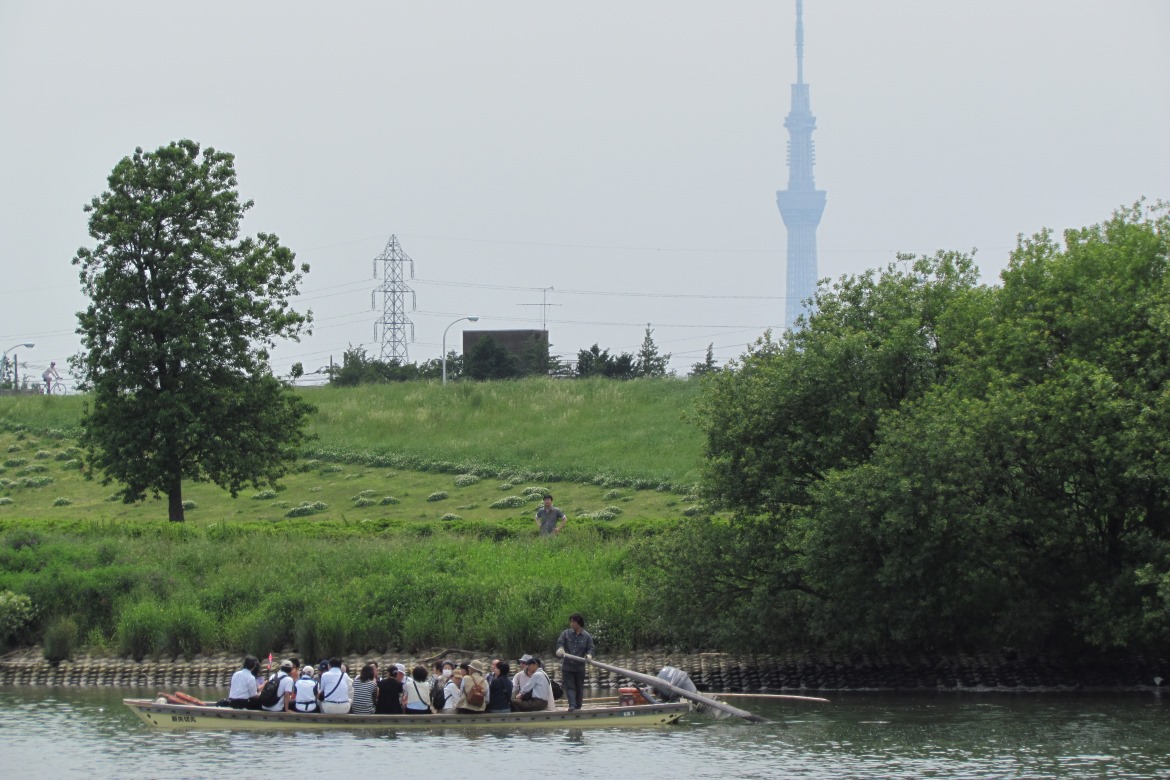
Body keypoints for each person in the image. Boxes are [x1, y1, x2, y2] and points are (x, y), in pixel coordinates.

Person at [555, 612, 595, 710]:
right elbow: (560, 643)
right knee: (570, 686)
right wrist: (561, 649)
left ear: (578, 623)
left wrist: (589, 655)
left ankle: (578, 706)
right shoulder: (566, 633)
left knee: (579, 687)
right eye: (571, 622)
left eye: (573, 622)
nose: (571, 624)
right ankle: (572, 705)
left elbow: (591, 648)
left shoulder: (587, 636)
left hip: (579, 666)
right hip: (567, 666)